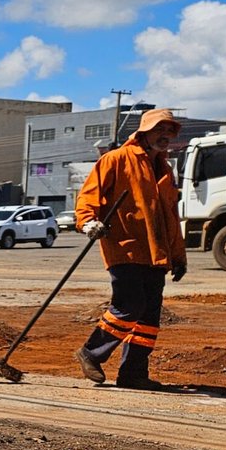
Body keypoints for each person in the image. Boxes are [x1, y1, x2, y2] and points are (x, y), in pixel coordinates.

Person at [72, 107, 188, 390]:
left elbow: (171, 217)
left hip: (156, 254)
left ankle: (133, 374)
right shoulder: (116, 159)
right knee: (129, 305)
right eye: (160, 129)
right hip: (125, 247)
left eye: (169, 131)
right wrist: (88, 222)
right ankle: (91, 352)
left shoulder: (165, 169)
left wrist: (178, 256)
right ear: (144, 132)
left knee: (148, 318)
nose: (165, 136)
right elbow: (89, 196)